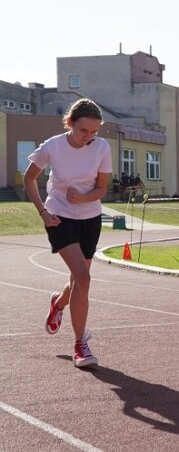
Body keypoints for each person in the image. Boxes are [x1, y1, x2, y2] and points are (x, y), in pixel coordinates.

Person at [26, 98, 112, 368]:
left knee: (78, 281)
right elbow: (30, 179)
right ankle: (81, 344)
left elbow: (101, 190)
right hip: (58, 217)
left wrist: (85, 198)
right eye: (84, 130)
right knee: (83, 277)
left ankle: (58, 303)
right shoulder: (52, 146)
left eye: (94, 132)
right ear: (70, 123)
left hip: (90, 218)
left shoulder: (101, 148)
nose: (89, 137)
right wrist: (42, 212)